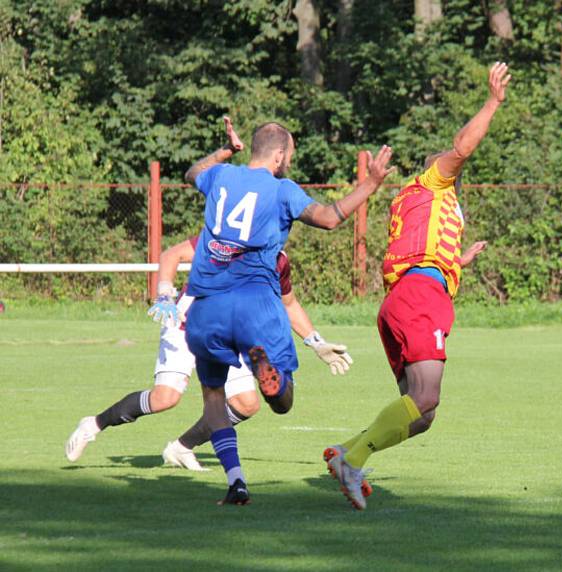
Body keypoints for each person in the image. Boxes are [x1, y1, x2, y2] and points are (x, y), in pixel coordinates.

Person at [324, 62, 510, 510]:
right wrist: (492, 102)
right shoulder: (433, 182)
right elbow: (464, 145)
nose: (452, 161)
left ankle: (343, 452)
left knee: (422, 414)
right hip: (419, 297)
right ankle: (355, 458)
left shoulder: (409, 200)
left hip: (402, 300)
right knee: (426, 397)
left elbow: (417, 250)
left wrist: (457, 261)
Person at [183, 117, 393, 504]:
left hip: (205, 305)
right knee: (282, 402)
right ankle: (270, 372)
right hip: (255, 304)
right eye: (290, 155)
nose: (290, 162)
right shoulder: (282, 190)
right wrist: (370, 185)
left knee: (214, 397)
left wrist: (226, 150)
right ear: (279, 155)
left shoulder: (221, 176)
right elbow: (329, 218)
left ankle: (236, 483)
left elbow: (193, 171)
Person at [64, 238, 353, 473]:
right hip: (186, 322)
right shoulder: (225, 238)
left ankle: (181, 447)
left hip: (229, 333)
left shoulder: (278, 259)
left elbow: (288, 303)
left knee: (247, 404)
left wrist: (316, 343)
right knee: (165, 399)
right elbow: (171, 255)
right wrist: (164, 294)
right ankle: (92, 425)